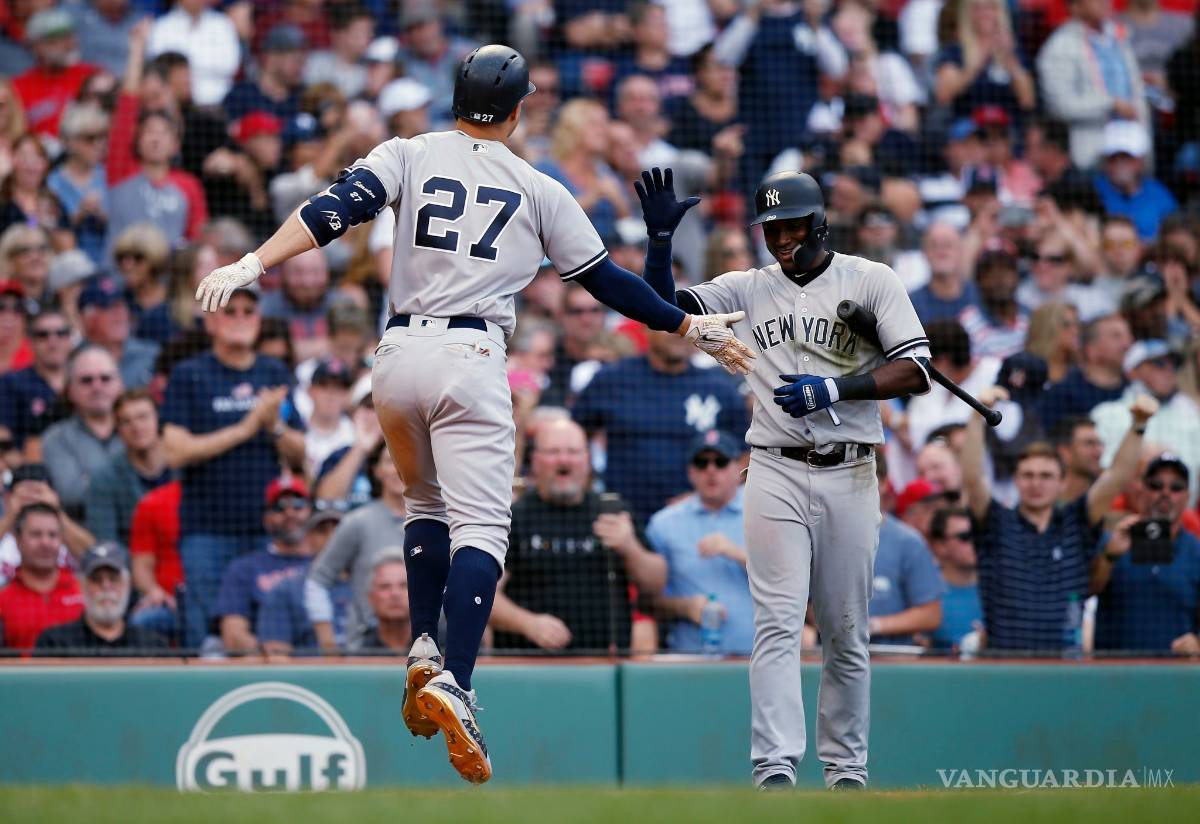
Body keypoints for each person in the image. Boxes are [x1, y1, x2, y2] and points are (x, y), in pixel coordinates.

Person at [193, 45, 754, 785]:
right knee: (483, 528)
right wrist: (686, 324)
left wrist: (252, 263)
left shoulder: (409, 150)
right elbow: (608, 284)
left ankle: (423, 646)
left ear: (456, 98)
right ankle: (455, 678)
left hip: (396, 354)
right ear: (519, 110)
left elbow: (334, 212)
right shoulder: (538, 186)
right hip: (471, 353)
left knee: (423, 505)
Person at [647, 169, 932, 789]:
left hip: (850, 468)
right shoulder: (747, 286)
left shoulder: (870, 279)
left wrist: (836, 387)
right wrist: (661, 243)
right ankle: (774, 767)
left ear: (819, 223)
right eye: (771, 228)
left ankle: (846, 770)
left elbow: (916, 370)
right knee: (776, 621)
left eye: (793, 226)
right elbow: (663, 311)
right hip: (773, 466)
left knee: (845, 629)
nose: (780, 238)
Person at [161, 285, 305, 650]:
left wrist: (274, 426)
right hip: (206, 530)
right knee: (207, 636)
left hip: (266, 529)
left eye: (248, 311)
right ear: (211, 321)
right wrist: (245, 428)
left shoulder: (273, 372)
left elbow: (301, 453)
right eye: (230, 311)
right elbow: (174, 451)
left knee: (268, 630)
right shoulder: (190, 374)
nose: (240, 318)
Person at [960, 386, 1154, 652]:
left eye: (1046, 476)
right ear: (1016, 480)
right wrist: (976, 416)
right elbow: (973, 479)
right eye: (1027, 475)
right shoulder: (995, 522)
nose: (1036, 483)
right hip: (1005, 663)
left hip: (1065, 665)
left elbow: (1117, 476)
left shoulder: (1077, 522)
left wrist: (1139, 424)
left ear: (1062, 482)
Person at [490, 418, 665, 652]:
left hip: (605, 662)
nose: (564, 460)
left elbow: (656, 584)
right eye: (553, 452)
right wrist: (528, 623)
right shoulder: (515, 518)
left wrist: (630, 547)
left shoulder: (612, 510)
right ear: (535, 461)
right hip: (528, 661)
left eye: (573, 452)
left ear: (587, 460)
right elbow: (483, 594)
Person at [573, 323, 750, 524]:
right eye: (669, 324)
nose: (678, 334)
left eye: (686, 326)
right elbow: (575, 435)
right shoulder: (612, 380)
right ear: (646, 327)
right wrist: (588, 488)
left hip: (698, 521)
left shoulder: (718, 387)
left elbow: (746, 455)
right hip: (624, 518)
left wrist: (703, 497)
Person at [645, 430, 754, 655]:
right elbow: (649, 600)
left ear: (738, 468)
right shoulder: (663, 524)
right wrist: (684, 607)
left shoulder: (764, 510)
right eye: (701, 463)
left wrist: (737, 553)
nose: (711, 470)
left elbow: (793, 576)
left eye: (720, 462)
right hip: (691, 660)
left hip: (758, 657)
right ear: (690, 472)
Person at [1090, 455, 1200, 654]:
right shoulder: (1114, 541)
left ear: (1187, 495)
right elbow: (1085, 591)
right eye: (1156, 485)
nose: (1165, 493)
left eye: (1176, 487)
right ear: (1142, 491)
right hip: (1115, 670)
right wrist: (1109, 556)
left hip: (1177, 671)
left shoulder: (1196, 551)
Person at [306, 444, 407, 652]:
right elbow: (317, 581)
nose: (398, 469)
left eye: (406, 460)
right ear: (376, 470)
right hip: (365, 647)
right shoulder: (358, 521)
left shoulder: (441, 523)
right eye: (390, 461)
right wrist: (328, 644)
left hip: (433, 645)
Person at [1037, 0, 1151, 170]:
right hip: (1093, 152)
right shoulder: (1059, 46)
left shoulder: (1119, 37)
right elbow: (1061, 105)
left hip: (1134, 144)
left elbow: (1136, 87)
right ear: (1075, 7)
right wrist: (1110, 104)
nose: (1104, 2)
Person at [215, 477, 318, 655]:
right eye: (279, 507)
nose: (290, 513)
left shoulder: (328, 565)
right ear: (266, 518)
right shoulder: (244, 568)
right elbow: (233, 636)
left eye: (298, 505)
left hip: (324, 659)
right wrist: (270, 654)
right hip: (268, 663)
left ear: (311, 512)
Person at [1091, 340, 1200, 505]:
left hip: (1182, 514)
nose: (1169, 371)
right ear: (1133, 371)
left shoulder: (1192, 418)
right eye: (1159, 364)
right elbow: (1101, 472)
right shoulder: (1107, 413)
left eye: (1174, 365)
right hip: (1120, 510)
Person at [34, 543, 169, 655]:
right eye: (96, 579)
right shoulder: (55, 644)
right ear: (82, 586)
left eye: (114, 579)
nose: (106, 586)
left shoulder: (152, 645)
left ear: (127, 584)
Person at [39, 346, 125, 520]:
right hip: (82, 530)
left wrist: (89, 479)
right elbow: (71, 494)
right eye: (86, 380)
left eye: (105, 378)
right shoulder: (56, 438)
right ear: (70, 390)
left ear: (120, 385)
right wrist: (127, 482)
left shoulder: (139, 428)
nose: (97, 387)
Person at [869, 455, 944, 647]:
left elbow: (931, 614)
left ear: (884, 483)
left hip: (891, 655)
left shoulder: (908, 542)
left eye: (863, 477)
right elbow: (809, 605)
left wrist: (872, 626)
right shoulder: (820, 536)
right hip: (830, 656)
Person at [83, 389, 173, 545]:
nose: (136, 427)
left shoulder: (184, 468)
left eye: (143, 417)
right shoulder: (104, 478)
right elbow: (106, 542)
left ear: (158, 418)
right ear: (118, 429)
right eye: (126, 421)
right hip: (130, 557)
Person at [256, 507, 347, 658]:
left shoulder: (373, 584)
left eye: (339, 531)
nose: (331, 538)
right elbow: (276, 656)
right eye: (322, 531)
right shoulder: (284, 590)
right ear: (308, 538)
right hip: (310, 671)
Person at [0, 503, 84, 651]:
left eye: (52, 535)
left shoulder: (83, 590)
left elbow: (97, 554)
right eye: (36, 534)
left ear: (62, 540)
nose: (45, 543)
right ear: (18, 540)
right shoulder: (3, 598)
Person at [11, 9, 99, 138]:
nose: (68, 44)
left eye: (69, 36)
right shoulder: (17, 87)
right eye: (55, 39)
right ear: (35, 46)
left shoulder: (92, 74)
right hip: (40, 148)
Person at [0, 464, 95, 583]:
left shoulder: (62, 534)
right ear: (7, 498)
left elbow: (95, 556)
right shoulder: (5, 537)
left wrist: (56, 510)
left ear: (55, 495)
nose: (33, 502)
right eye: (26, 497)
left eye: (39, 494)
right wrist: (10, 516)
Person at [1040, 314, 1133, 431]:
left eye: (1129, 336)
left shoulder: (1136, 390)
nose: (1127, 344)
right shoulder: (1063, 394)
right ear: (1091, 349)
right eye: (1116, 336)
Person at [0, 305, 70, 452]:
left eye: (61, 333)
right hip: (29, 463)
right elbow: (3, 434)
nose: (53, 342)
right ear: (30, 341)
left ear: (70, 338)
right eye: (43, 335)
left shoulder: (86, 380)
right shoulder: (11, 383)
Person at [1092, 121, 1178, 242]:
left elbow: (1174, 235)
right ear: (1106, 162)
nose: (1120, 164)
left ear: (1140, 161)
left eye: (1127, 158)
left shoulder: (1159, 194)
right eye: (1114, 158)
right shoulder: (1092, 190)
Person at [76, 275, 160, 390]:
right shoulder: (74, 361)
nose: (120, 314)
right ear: (88, 319)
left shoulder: (152, 355)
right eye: (110, 308)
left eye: (122, 305)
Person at [126, 478, 182, 641]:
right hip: (168, 606)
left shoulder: (225, 502)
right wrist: (157, 594)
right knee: (141, 621)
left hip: (211, 603)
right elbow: (141, 567)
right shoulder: (153, 502)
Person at [926, 506, 984, 652]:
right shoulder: (922, 591)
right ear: (939, 545)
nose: (976, 541)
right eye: (965, 537)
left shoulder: (1002, 588)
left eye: (979, 534)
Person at [357, 548, 412, 652]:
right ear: (371, 597)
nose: (395, 594)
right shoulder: (359, 655)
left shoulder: (440, 648)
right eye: (385, 586)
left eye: (404, 585)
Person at [1051, 416, 1107, 503]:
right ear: (1065, 452)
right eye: (1089, 444)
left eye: (1099, 444)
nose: (1099, 451)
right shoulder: (1045, 502)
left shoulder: (1108, 497)